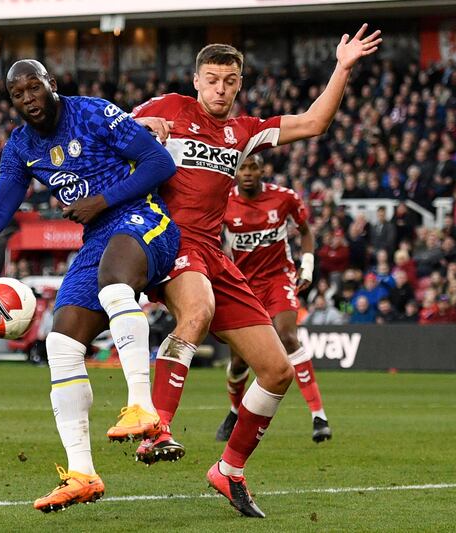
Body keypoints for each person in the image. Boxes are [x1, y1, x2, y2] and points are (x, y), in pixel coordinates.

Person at [0, 59, 180, 513]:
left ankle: (142, 406)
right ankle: (83, 473)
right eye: (18, 94)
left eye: (34, 88)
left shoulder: (93, 113)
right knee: (60, 342)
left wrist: (101, 199)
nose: (28, 99)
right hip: (97, 238)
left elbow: (158, 162)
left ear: (52, 85)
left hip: (143, 218)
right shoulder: (21, 147)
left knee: (111, 286)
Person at [131, 27, 381, 517]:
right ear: (196, 81)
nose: (220, 89)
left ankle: (228, 470)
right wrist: (143, 130)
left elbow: (313, 123)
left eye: (230, 80)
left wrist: (343, 67)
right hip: (170, 239)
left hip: (215, 254)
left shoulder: (244, 131)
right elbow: (109, 129)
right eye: (212, 80)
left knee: (277, 370)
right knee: (196, 310)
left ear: (239, 84)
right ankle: (155, 426)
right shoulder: (171, 108)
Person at [217, 154, 331, 444]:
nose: (248, 173)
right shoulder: (222, 201)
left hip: (278, 278)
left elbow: (305, 232)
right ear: (235, 171)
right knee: (240, 360)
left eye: (253, 167)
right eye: (242, 167)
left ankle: (319, 417)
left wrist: (307, 267)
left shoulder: (284, 198)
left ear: (262, 169)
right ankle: (234, 411)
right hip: (242, 284)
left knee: (288, 337)